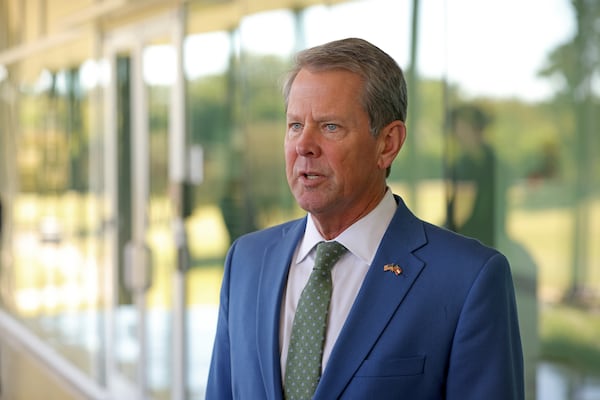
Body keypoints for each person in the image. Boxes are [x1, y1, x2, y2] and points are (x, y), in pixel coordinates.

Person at [206, 38, 524, 399]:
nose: (303, 145)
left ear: (387, 144)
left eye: (329, 127)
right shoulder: (246, 261)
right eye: (295, 125)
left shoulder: (468, 280)